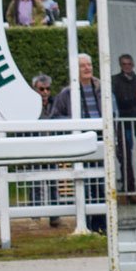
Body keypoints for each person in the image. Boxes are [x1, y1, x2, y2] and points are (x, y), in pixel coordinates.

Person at [50, 53, 111, 233]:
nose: (87, 68)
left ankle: (103, 223)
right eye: (83, 65)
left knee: (102, 183)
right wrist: (75, 122)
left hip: (101, 141)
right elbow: (55, 117)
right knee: (86, 184)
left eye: (89, 65)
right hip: (81, 145)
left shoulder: (102, 89)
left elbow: (112, 112)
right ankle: (88, 223)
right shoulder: (66, 94)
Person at [111, 54, 136, 191]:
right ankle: (128, 183)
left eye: (129, 64)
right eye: (124, 64)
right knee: (125, 155)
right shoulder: (114, 81)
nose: (127, 66)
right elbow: (117, 102)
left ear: (133, 64)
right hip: (125, 122)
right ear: (120, 65)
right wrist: (135, 99)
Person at [30, 74, 60, 226]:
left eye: (48, 89)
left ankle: (55, 216)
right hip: (35, 148)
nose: (45, 92)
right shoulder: (29, 106)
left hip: (51, 148)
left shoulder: (55, 103)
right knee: (35, 182)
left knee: (53, 183)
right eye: (42, 89)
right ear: (35, 89)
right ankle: (35, 217)